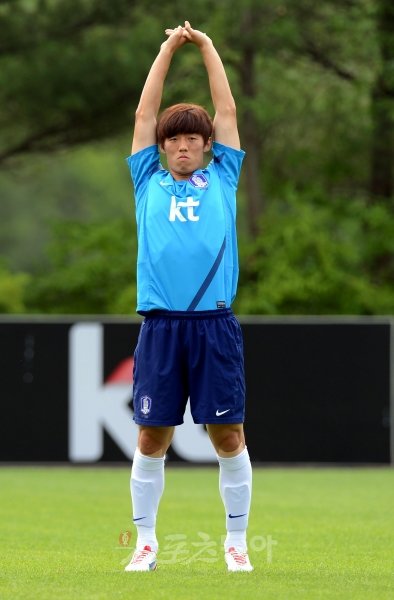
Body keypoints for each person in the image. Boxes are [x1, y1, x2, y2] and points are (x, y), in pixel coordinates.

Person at [124, 21, 253, 573]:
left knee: (228, 434)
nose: (182, 145)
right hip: (160, 326)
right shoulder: (146, 179)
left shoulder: (222, 177)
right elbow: (143, 115)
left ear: (205, 147)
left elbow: (225, 112)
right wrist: (164, 51)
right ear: (162, 147)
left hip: (213, 326)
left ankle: (236, 544)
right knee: (152, 436)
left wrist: (206, 47)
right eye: (173, 139)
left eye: (191, 139)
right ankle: (146, 544)